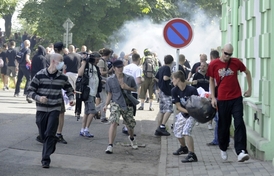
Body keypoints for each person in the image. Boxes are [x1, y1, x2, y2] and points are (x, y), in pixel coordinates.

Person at [27, 53, 75, 168]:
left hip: (55, 108)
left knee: (50, 133)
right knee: (43, 134)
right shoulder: (40, 75)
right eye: (61, 61)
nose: (63, 63)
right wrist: (39, 98)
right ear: (53, 61)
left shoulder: (62, 77)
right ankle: (51, 141)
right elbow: (30, 91)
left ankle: (45, 159)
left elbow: (69, 89)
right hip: (41, 109)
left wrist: (72, 99)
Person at [207, 43, 252, 162]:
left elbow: (247, 72)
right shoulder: (214, 64)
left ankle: (241, 151)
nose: (227, 56)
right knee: (223, 125)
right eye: (226, 53)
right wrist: (213, 97)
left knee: (239, 122)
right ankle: (223, 147)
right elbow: (211, 80)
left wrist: (249, 89)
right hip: (222, 99)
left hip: (236, 97)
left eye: (230, 54)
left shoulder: (236, 62)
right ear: (222, 51)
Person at [103, 60, 139, 154]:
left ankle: (131, 138)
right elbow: (109, 93)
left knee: (129, 124)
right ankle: (110, 145)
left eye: (121, 67)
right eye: (118, 67)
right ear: (114, 68)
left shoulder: (129, 78)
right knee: (114, 122)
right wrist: (106, 105)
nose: (120, 69)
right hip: (116, 103)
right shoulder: (110, 80)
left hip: (127, 104)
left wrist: (127, 88)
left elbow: (135, 89)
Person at [171, 70, 199, 162]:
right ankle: (183, 148)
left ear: (178, 79)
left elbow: (197, 104)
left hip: (193, 114)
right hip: (184, 113)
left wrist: (192, 112)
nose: (172, 81)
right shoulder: (174, 90)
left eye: (173, 79)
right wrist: (188, 111)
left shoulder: (192, 90)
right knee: (177, 131)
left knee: (186, 132)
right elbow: (178, 107)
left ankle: (192, 154)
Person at [78, 52, 102, 137]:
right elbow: (80, 74)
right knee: (92, 111)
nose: (98, 59)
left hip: (93, 92)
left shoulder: (95, 67)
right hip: (88, 92)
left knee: (87, 112)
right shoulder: (87, 65)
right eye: (97, 58)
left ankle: (83, 129)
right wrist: (84, 63)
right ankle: (86, 129)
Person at [122, 53, 142, 135]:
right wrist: (143, 80)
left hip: (124, 90)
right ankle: (127, 128)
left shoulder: (125, 67)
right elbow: (138, 81)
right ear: (138, 59)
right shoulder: (137, 69)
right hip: (132, 91)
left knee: (125, 108)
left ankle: (125, 126)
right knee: (131, 110)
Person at [154, 55, 174, 136]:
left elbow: (156, 78)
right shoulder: (167, 68)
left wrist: (160, 83)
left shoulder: (161, 68)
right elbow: (165, 78)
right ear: (171, 62)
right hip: (166, 91)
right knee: (169, 109)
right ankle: (162, 127)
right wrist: (171, 78)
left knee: (162, 110)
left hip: (161, 91)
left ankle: (158, 128)